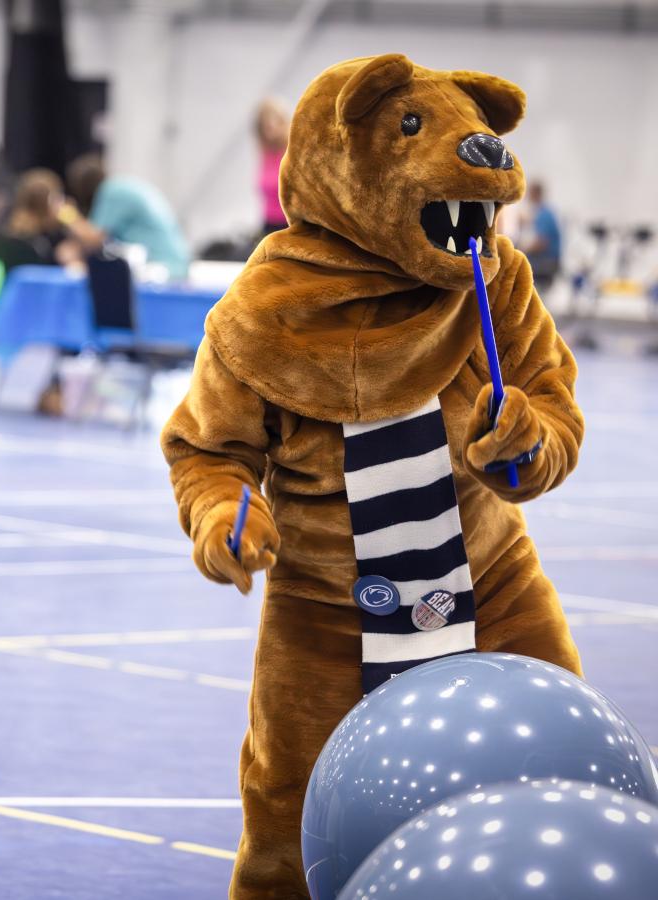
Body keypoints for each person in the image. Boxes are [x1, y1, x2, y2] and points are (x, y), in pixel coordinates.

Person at [161, 55, 582, 898]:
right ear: (337, 157)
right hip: (323, 618)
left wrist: (529, 442)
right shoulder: (258, 313)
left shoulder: (496, 284)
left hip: (493, 587)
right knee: (288, 818)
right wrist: (223, 515)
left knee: (561, 778)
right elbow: (208, 451)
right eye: (417, 131)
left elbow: (555, 411)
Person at [63, 153, 190, 279]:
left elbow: (93, 239)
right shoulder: (120, 187)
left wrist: (66, 214)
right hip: (172, 261)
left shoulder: (110, 191)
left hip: (163, 265)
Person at [251, 97, 289, 241]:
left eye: (275, 123)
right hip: (268, 224)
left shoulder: (290, 152)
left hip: (288, 225)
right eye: (266, 126)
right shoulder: (264, 153)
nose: (271, 129)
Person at [519, 180, 562, 293]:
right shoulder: (544, 212)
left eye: (530, 192)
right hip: (548, 262)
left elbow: (542, 243)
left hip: (546, 263)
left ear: (536, 194)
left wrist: (521, 250)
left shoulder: (544, 215)